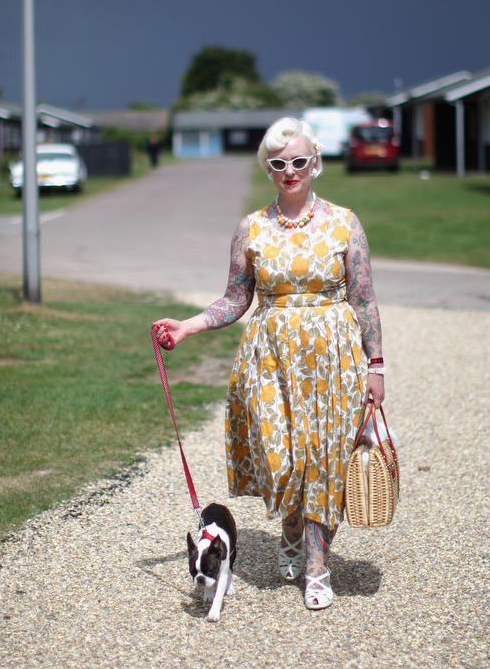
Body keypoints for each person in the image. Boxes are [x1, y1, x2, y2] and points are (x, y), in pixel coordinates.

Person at [151, 117, 386, 611]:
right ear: (269, 169)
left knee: (323, 463)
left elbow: (364, 299)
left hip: (334, 360)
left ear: (315, 162)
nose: (290, 170)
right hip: (270, 360)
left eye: (299, 161)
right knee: (280, 463)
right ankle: (291, 529)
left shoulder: (345, 222)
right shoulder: (251, 228)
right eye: (279, 164)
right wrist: (188, 326)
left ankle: (318, 567)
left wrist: (376, 366)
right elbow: (237, 297)